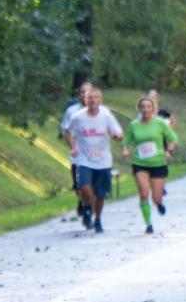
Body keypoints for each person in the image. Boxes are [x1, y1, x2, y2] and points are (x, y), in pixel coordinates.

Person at [65, 86, 124, 234]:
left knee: (100, 194)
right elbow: (68, 132)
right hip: (84, 160)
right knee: (84, 188)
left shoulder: (106, 115)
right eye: (89, 97)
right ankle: (86, 207)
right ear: (85, 100)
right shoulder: (77, 117)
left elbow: (119, 133)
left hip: (103, 161)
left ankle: (97, 219)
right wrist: (72, 147)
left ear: (100, 100)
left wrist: (116, 137)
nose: (92, 100)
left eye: (95, 97)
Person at [122, 95, 178, 234]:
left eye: (148, 107)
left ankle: (158, 203)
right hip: (140, 163)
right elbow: (127, 140)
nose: (146, 109)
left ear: (153, 109)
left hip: (158, 163)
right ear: (139, 109)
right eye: (143, 107)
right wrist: (126, 150)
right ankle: (148, 224)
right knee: (144, 192)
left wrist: (168, 151)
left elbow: (173, 139)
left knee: (156, 197)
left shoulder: (160, 123)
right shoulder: (134, 124)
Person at [60, 81, 93, 225]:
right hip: (79, 157)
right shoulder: (71, 111)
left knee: (94, 188)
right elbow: (66, 131)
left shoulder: (101, 110)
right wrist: (73, 147)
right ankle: (84, 203)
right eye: (82, 92)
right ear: (78, 95)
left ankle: (88, 210)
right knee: (81, 187)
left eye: (88, 92)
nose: (85, 96)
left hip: (97, 156)